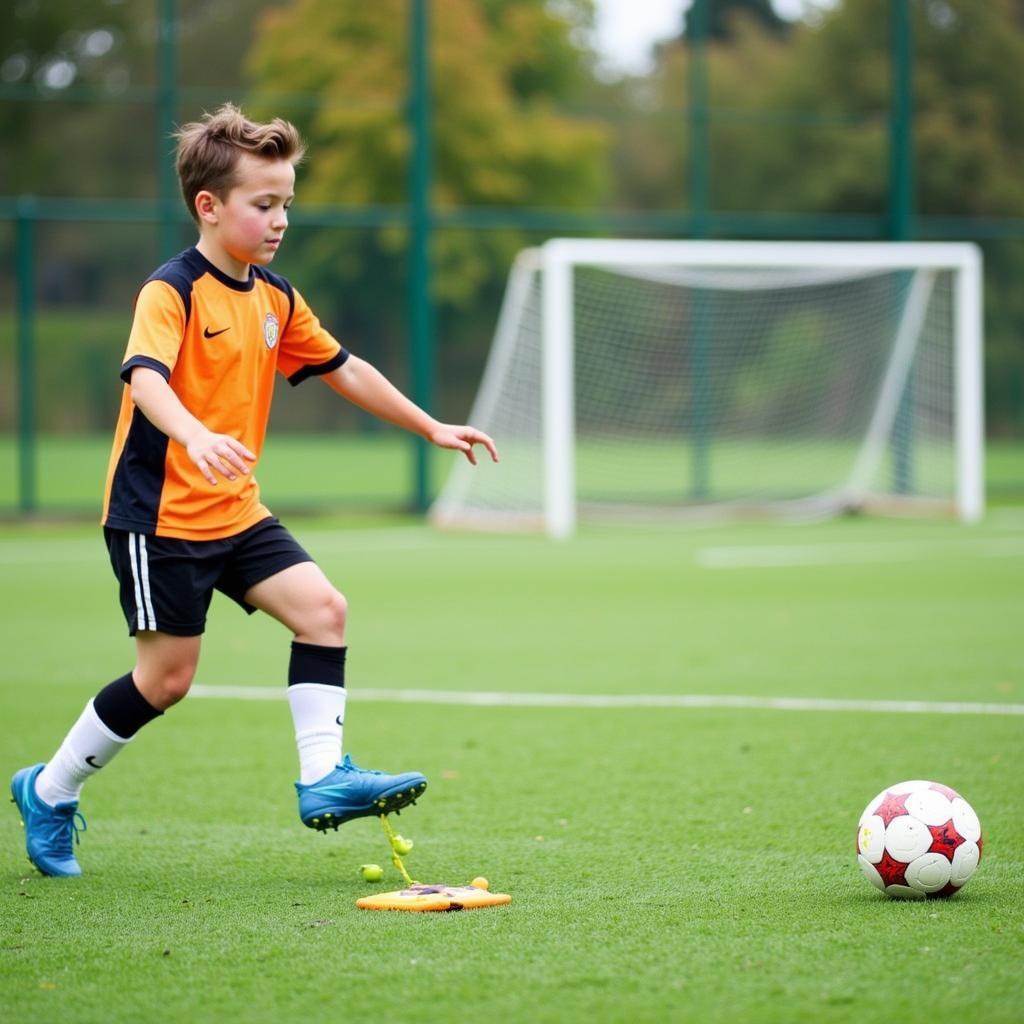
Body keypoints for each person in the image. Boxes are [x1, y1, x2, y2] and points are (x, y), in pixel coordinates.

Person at [10, 104, 498, 878]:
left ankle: (322, 778)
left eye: (286, 205)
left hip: (234, 511)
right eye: (263, 205)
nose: (279, 221)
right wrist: (194, 434)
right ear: (209, 205)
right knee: (167, 680)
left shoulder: (273, 296)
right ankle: (51, 789)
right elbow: (144, 378)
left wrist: (429, 425)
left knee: (324, 611)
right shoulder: (170, 292)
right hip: (158, 517)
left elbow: (345, 368)